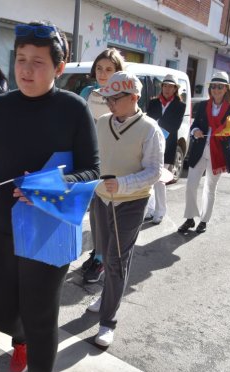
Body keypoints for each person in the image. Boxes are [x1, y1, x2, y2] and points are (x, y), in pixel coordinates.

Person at [0, 21, 99, 372]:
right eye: (21, 59)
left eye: (38, 62)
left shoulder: (74, 109)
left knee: (41, 318)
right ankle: (18, 336)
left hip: (48, 228)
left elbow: (92, 170)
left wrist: (49, 187)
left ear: (59, 67)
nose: (25, 69)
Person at [85, 71, 163, 347]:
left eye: (115, 98)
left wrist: (124, 184)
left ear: (134, 98)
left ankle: (108, 322)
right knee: (105, 254)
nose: (109, 104)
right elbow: (93, 156)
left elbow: (155, 171)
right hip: (101, 198)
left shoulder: (149, 128)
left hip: (132, 202)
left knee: (118, 260)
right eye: (107, 98)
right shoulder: (102, 122)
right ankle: (107, 296)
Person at [79, 48, 125, 284]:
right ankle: (97, 253)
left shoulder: (123, 95)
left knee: (108, 214)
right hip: (91, 160)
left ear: (118, 72)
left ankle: (103, 260)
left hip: (113, 162)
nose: (103, 73)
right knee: (95, 212)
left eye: (109, 69)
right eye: (99, 68)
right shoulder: (88, 92)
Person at [178, 71, 230, 234]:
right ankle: (190, 218)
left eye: (220, 87)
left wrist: (229, 129)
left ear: (226, 89)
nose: (216, 89)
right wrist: (196, 131)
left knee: (209, 188)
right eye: (213, 86)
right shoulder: (202, 105)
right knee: (191, 185)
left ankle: (204, 220)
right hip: (200, 150)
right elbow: (194, 126)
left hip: (218, 152)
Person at [145, 74, 186, 225]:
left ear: (175, 89)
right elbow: (148, 121)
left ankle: (160, 211)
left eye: (171, 86)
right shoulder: (154, 102)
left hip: (168, 147)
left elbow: (173, 126)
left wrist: (156, 123)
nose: (167, 89)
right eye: (165, 86)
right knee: (150, 179)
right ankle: (150, 210)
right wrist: (156, 124)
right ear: (161, 87)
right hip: (152, 144)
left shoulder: (180, 106)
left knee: (160, 181)